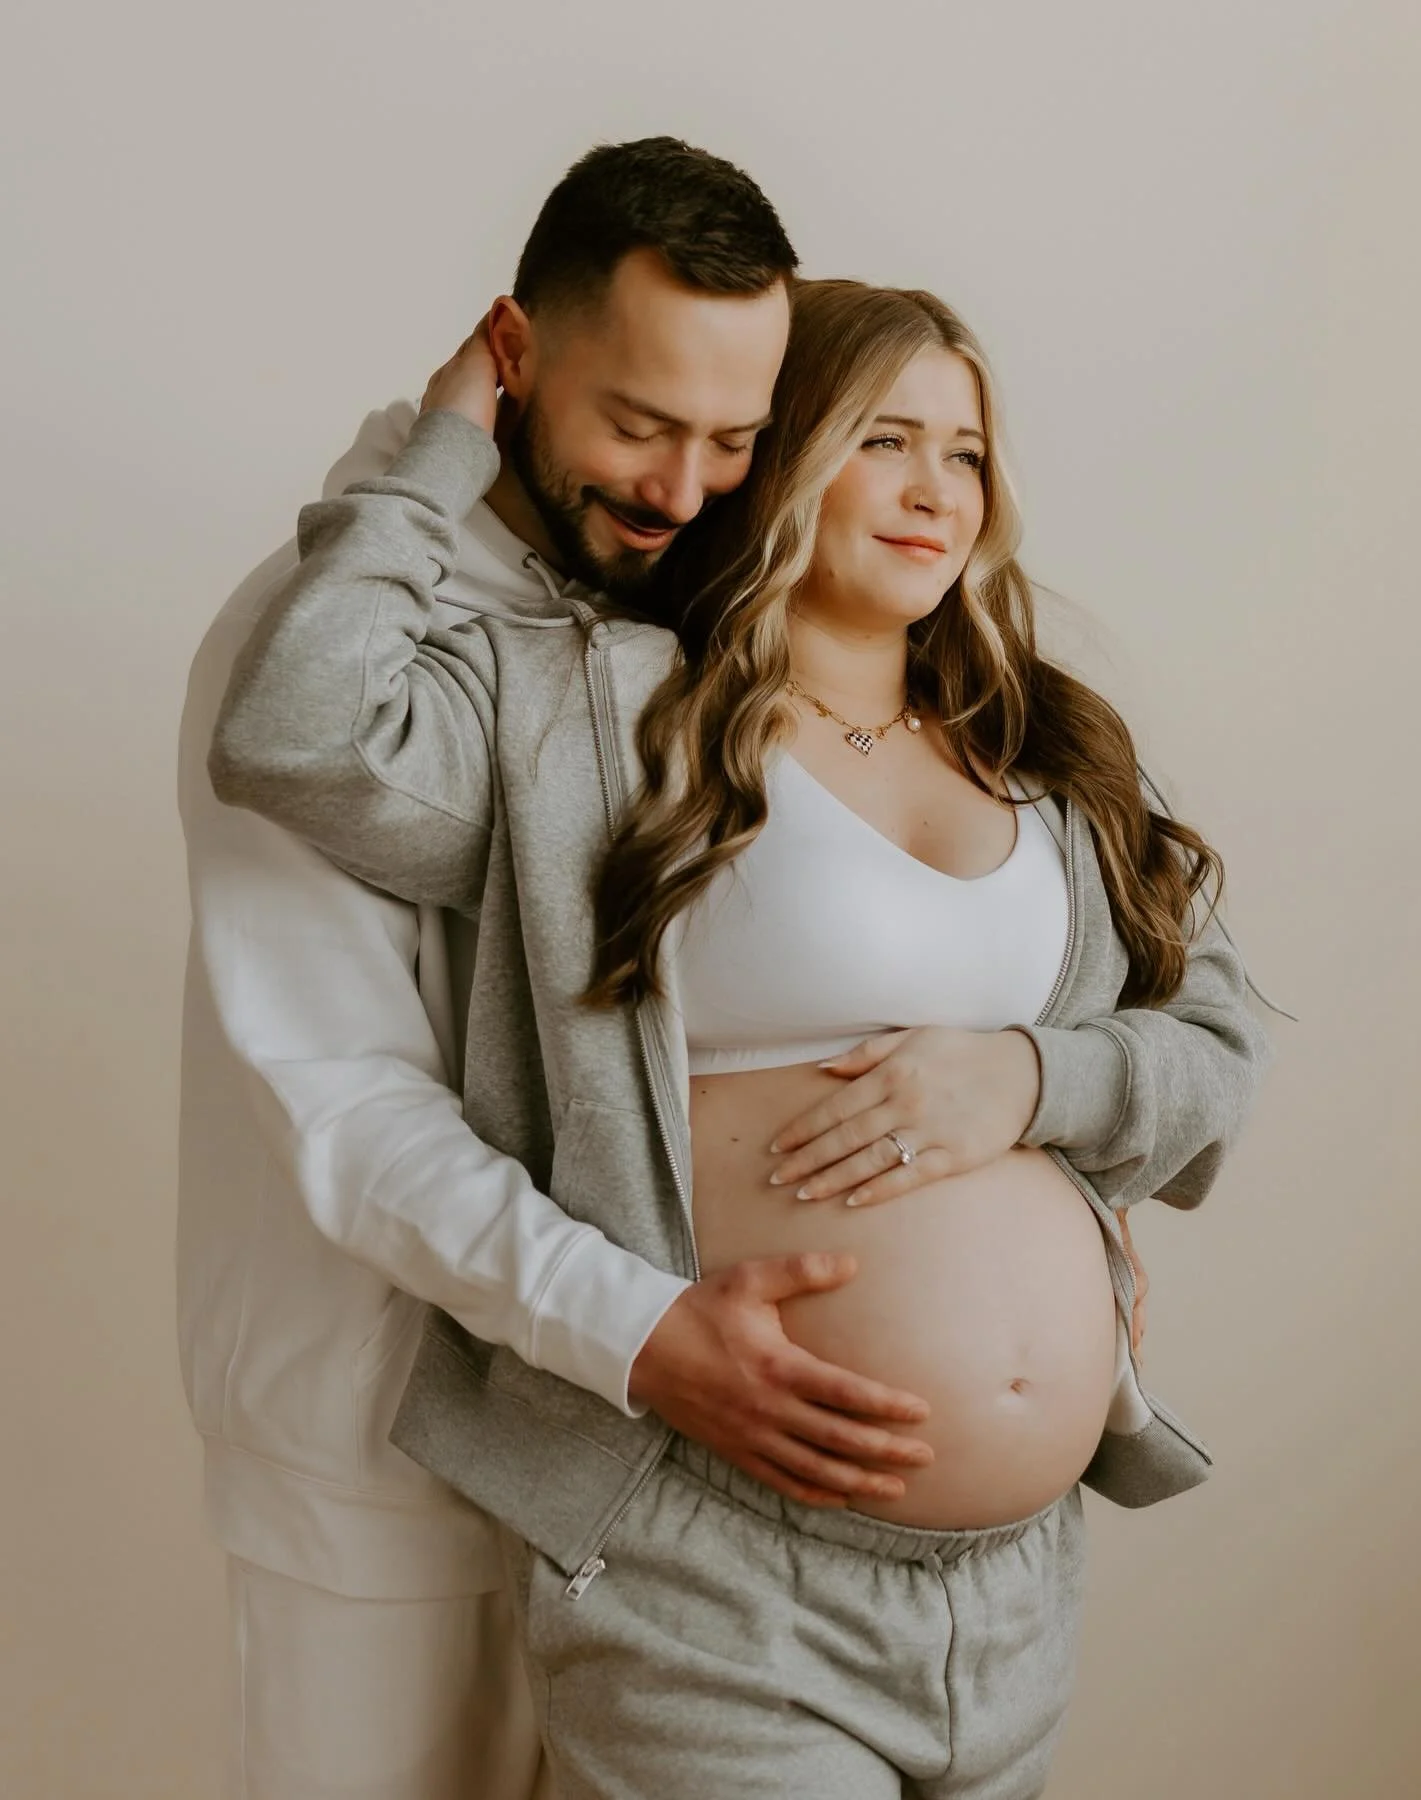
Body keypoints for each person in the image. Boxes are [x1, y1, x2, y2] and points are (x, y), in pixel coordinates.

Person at [208, 270, 1270, 1796]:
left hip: (1017, 1588)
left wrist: (1036, 1078)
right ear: (778, 456)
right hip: (709, 1548)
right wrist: (440, 446)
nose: (937, 491)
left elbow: (1216, 1044)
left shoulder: (1049, 744)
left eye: (967, 452)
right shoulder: (601, 718)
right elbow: (295, 733)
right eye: (883, 440)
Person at [175, 135, 817, 1800]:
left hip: (667, 1483)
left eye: (733, 439)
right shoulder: (303, 642)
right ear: (512, 357)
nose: (683, 489)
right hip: (388, 1486)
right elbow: (350, 1111)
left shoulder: (684, 616)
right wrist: (640, 1333)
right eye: (639, 424)